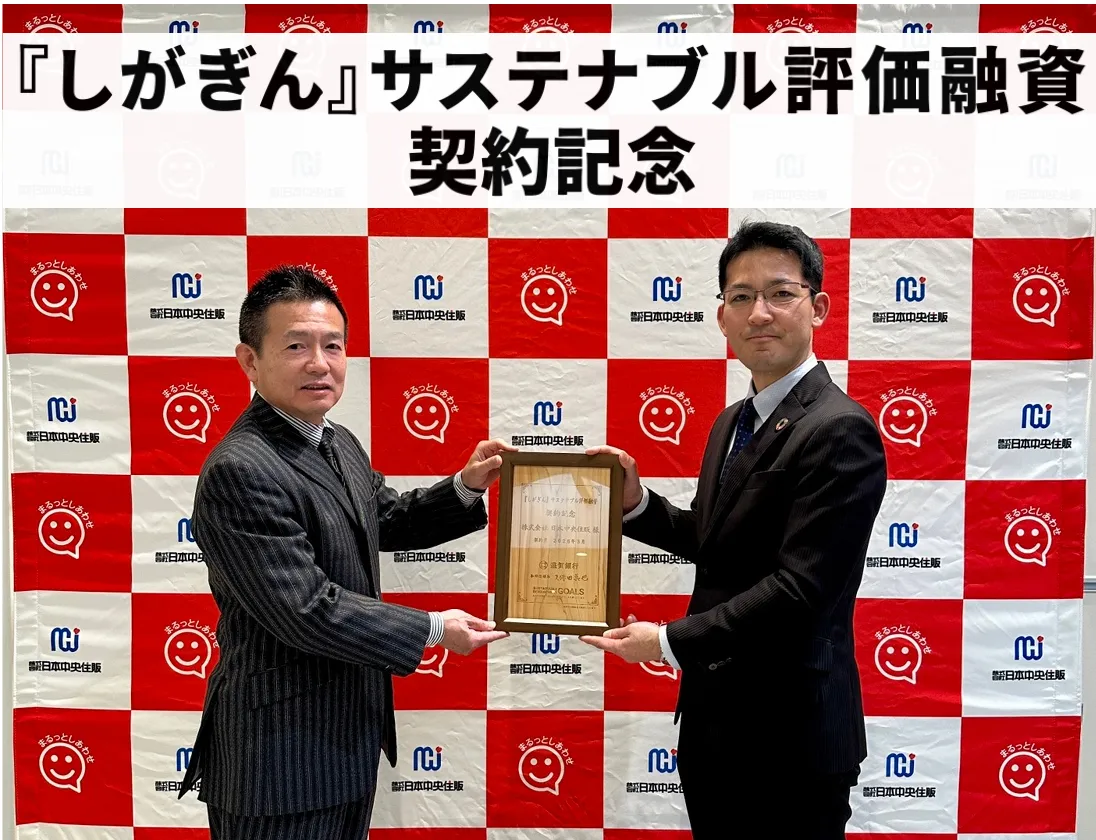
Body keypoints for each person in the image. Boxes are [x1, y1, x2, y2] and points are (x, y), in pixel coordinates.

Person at [178, 265, 511, 839]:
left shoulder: (335, 440)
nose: (320, 363)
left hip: (343, 742)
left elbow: (383, 518)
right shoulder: (242, 468)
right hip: (277, 762)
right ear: (249, 360)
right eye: (296, 346)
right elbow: (305, 608)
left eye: (333, 346)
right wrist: (433, 628)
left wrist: (465, 486)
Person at [581, 221, 888, 839]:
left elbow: (801, 589)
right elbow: (713, 539)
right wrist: (635, 504)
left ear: (818, 308)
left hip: (791, 736)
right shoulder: (732, 420)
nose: (760, 313)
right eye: (741, 296)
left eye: (780, 293)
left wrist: (667, 641)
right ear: (722, 316)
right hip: (714, 722)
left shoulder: (838, 428)